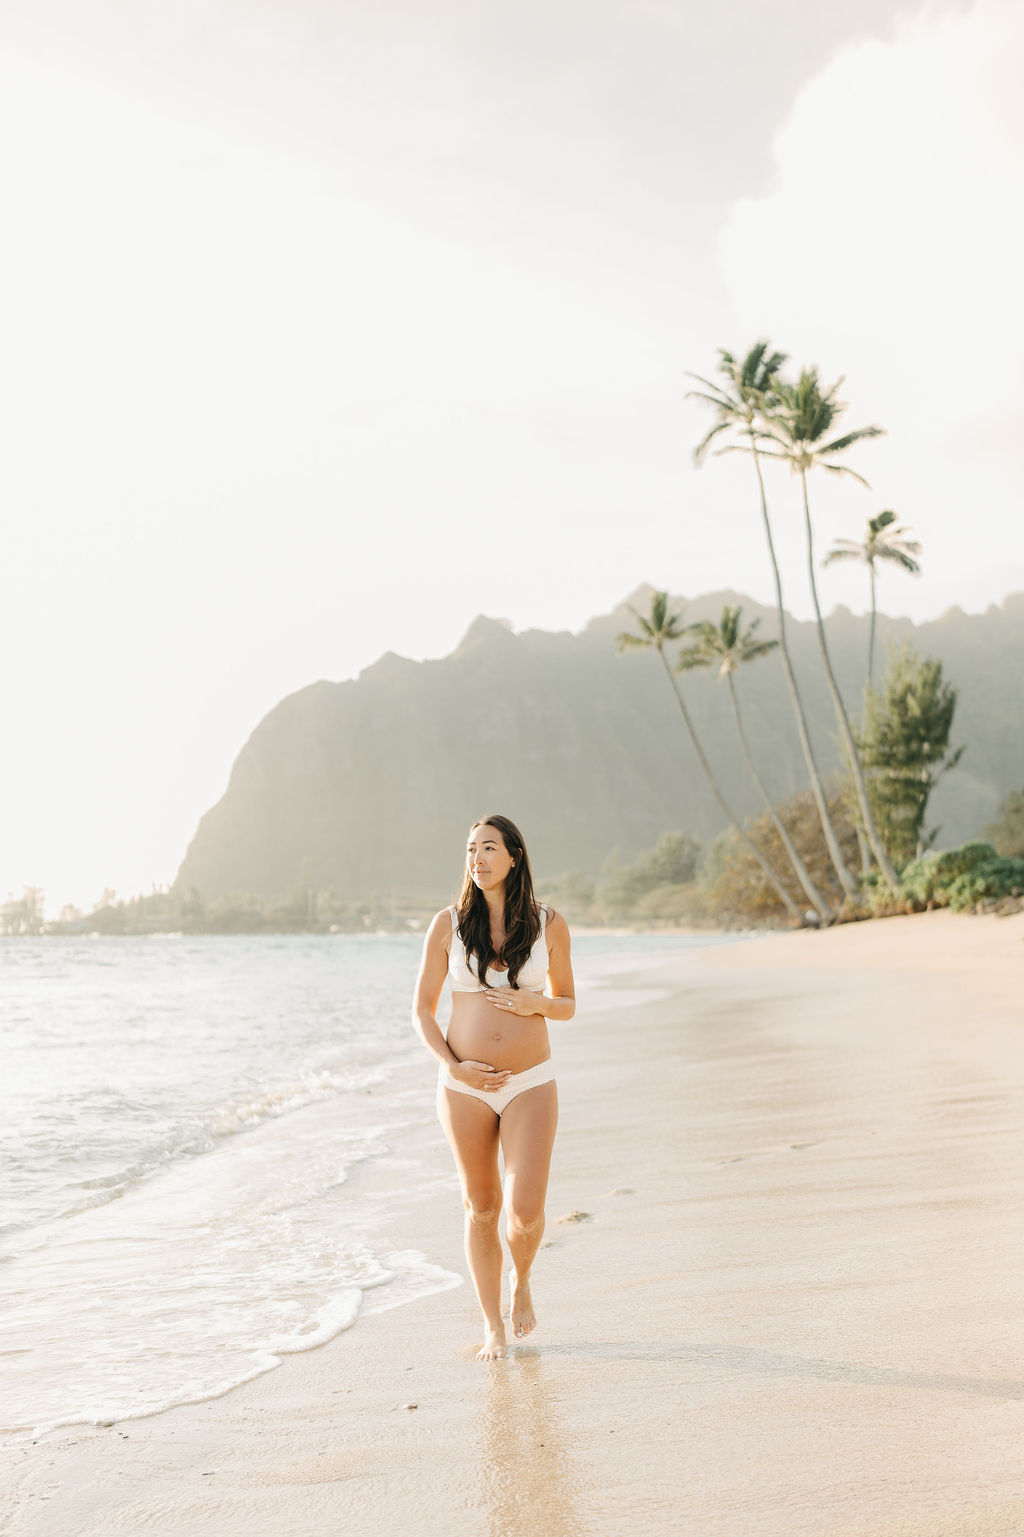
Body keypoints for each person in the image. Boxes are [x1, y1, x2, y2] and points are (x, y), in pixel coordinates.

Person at [412, 814, 576, 1361]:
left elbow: (567, 1004)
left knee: (525, 1211)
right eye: (469, 850)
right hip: (464, 1085)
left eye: (488, 848)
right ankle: (492, 1327)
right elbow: (421, 1011)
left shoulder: (549, 923)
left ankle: (521, 1280)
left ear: (514, 856)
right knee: (481, 1206)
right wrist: (453, 1066)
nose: (477, 859)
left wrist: (538, 1004)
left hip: (531, 1081)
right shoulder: (449, 924)